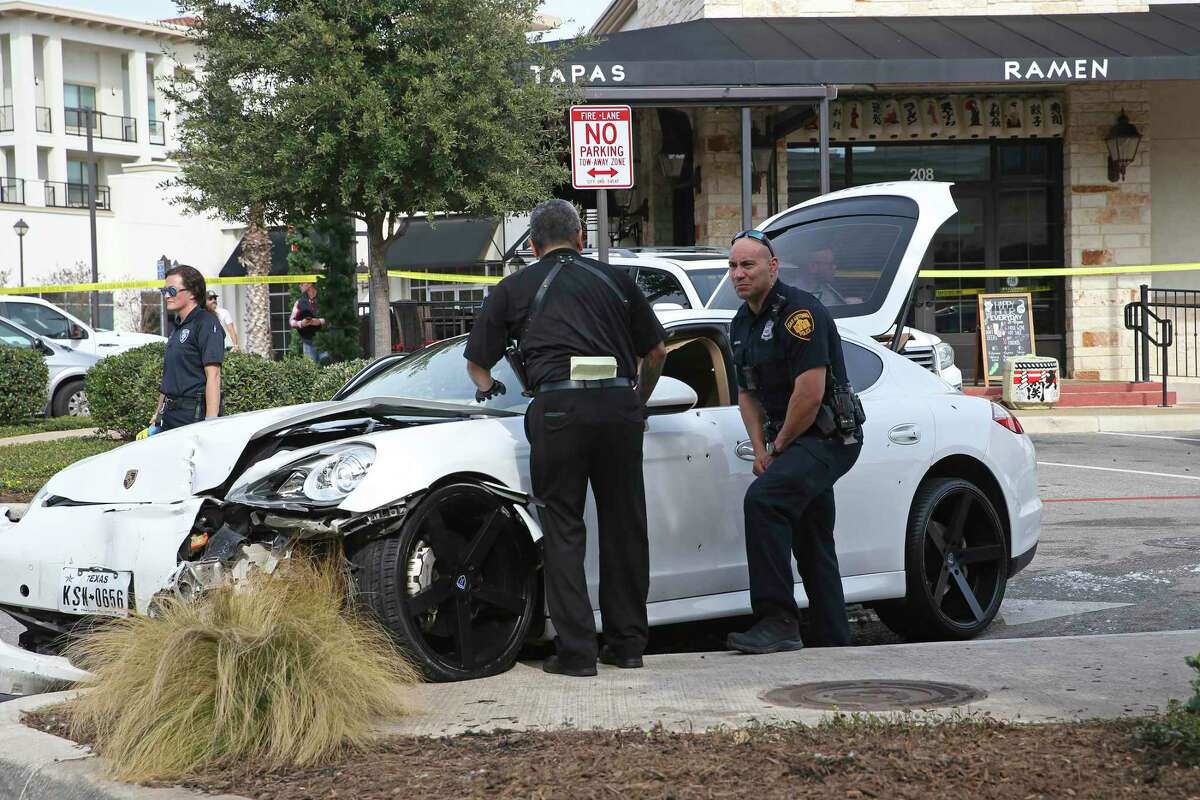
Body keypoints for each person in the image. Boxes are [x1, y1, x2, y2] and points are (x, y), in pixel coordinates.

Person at [463, 199, 667, 678]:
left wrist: (490, 389)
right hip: (618, 408)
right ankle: (628, 644)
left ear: (533, 246)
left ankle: (577, 653)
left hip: (558, 411)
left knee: (563, 528)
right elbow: (656, 351)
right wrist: (637, 400)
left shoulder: (514, 288)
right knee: (625, 525)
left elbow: (477, 366)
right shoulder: (617, 280)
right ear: (581, 239)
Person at [725, 229, 864, 655]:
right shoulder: (741, 324)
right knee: (812, 535)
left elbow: (810, 392)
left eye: (748, 265)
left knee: (763, 502)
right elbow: (746, 394)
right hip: (792, 440)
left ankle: (777, 621)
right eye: (732, 266)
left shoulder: (800, 313)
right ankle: (833, 638)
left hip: (826, 437)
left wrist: (779, 446)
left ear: (773, 266)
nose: (739, 274)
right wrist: (761, 449)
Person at [149, 264, 224, 431]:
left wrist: (211, 422)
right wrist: (157, 415)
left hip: (193, 415)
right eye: (164, 291)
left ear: (192, 293)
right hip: (170, 414)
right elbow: (169, 378)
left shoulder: (206, 323)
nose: (167, 296)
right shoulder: (177, 327)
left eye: (172, 291)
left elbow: (214, 375)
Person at [795, 247, 860, 306]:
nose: (834, 267)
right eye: (830, 264)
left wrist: (848, 305)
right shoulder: (790, 294)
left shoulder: (831, 290)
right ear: (813, 267)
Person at [290, 282, 326, 361]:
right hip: (308, 343)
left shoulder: (325, 299)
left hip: (325, 343)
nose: (299, 286)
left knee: (327, 369)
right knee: (310, 370)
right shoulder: (299, 302)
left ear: (310, 284)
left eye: (301, 283)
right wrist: (301, 323)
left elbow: (334, 318)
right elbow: (292, 321)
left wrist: (319, 321)